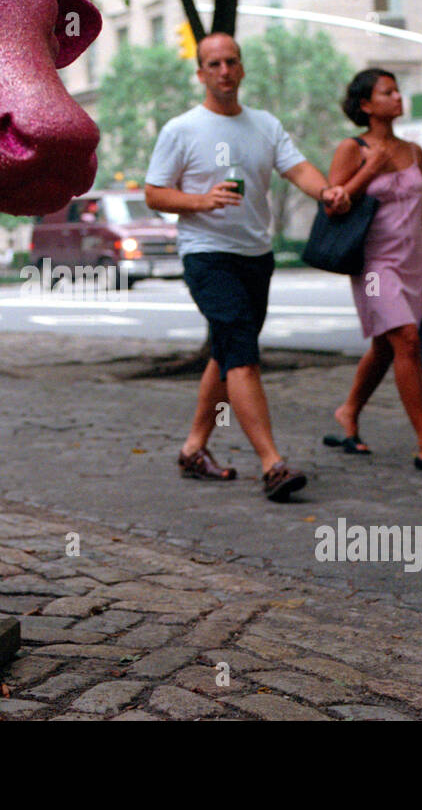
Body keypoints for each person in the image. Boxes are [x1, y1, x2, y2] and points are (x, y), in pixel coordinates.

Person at [144, 32, 351, 502]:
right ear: (200, 74)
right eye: (213, 64)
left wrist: (326, 193)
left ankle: (193, 449)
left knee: (227, 350)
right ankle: (272, 464)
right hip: (206, 253)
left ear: (241, 68)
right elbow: (154, 192)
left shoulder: (264, 125)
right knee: (243, 355)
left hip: (255, 255)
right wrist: (201, 200)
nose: (223, 71)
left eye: (230, 62)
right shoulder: (181, 129)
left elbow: (298, 169)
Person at [323, 68, 422, 474]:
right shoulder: (353, 148)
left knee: (387, 346)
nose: (397, 97)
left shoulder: (415, 151)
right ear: (366, 105)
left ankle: (348, 412)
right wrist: (371, 169)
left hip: (412, 262)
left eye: (398, 91)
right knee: (407, 339)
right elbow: (333, 204)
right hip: (372, 263)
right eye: (387, 92)